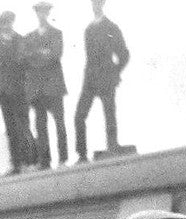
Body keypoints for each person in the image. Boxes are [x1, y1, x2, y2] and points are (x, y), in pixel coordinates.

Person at [74, 0, 129, 163]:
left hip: (106, 78)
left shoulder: (111, 27)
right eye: (93, 3)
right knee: (79, 116)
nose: (95, 6)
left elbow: (124, 54)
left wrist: (115, 72)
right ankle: (82, 155)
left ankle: (112, 148)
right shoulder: (89, 29)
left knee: (109, 115)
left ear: (102, 4)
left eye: (98, 2)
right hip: (90, 79)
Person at [22, 1, 67, 169]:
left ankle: (63, 159)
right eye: (39, 12)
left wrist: (36, 56)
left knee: (59, 123)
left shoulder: (56, 33)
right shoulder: (29, 37)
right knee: (40, 125)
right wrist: (42, 53)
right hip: (37, 88)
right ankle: (44, 161)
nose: (42, 15)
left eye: (44, 12)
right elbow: (25, 58)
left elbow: (56, 54)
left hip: (53, 86)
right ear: (36, 14)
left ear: (48, 13)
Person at [0, 11, 35, 174]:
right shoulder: (0, 44)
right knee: (11, 129)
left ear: (12, 23)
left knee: (23, 126)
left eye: (7, 23)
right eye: (2, 24)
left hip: (19, 91)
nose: (5, 27)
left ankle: (30, 161)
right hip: (4, 94)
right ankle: (16, 164)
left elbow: (22, 63)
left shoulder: (19, 41)